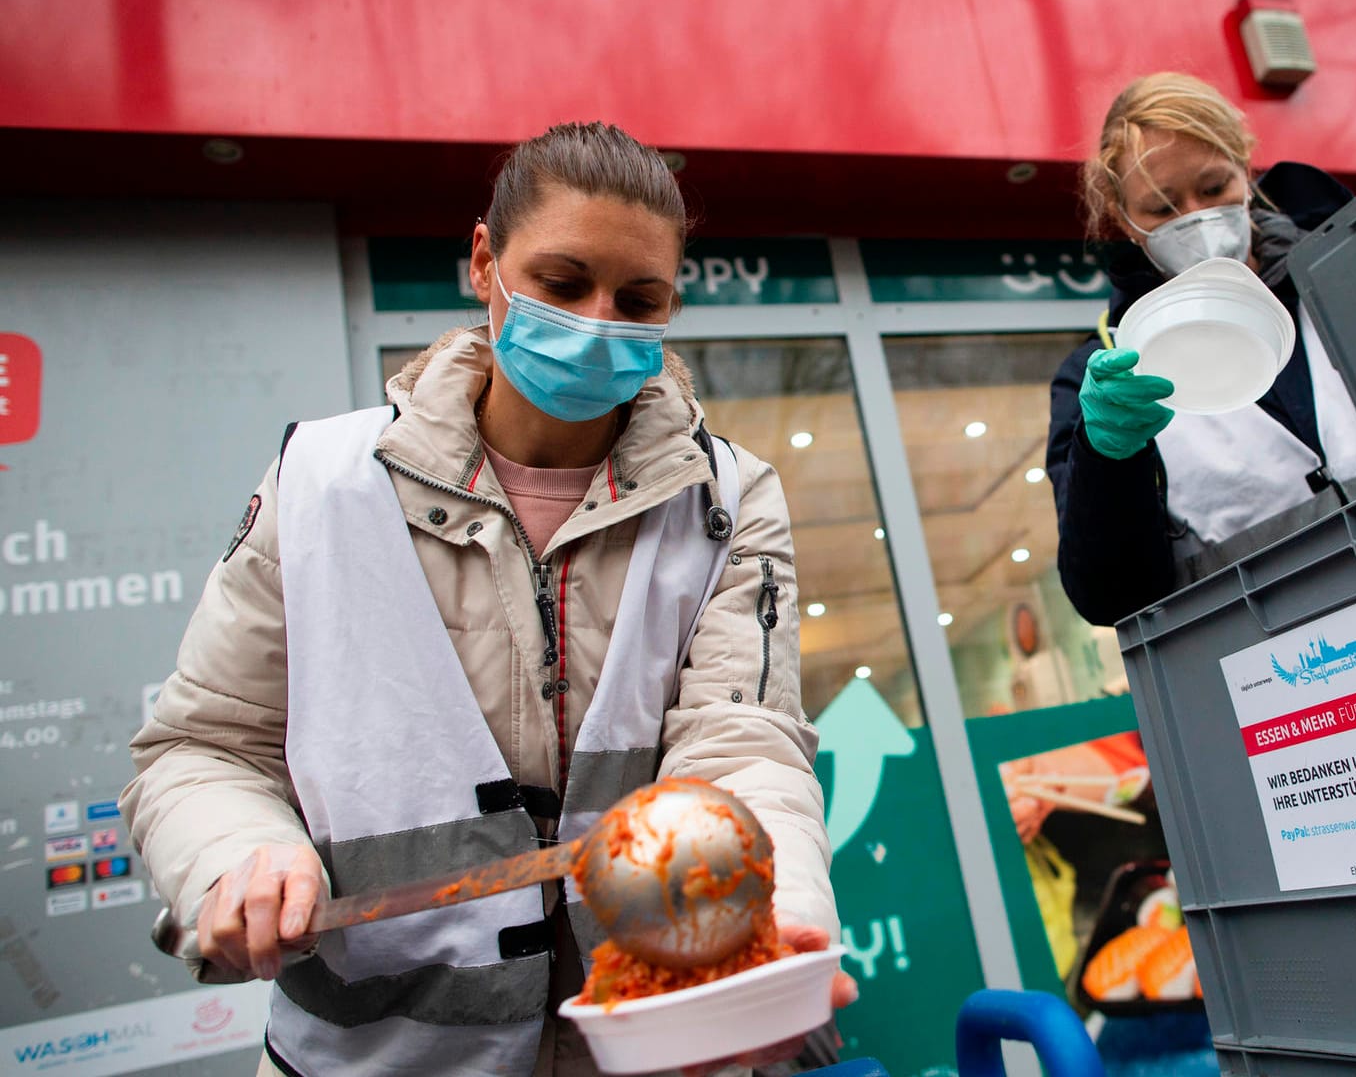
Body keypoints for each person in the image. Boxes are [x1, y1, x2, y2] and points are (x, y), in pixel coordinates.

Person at [120, 122, 851, 1077]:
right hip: (374, 1054)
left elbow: (741, 743)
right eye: (561, 282)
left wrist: (773, 918)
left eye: (639, 299)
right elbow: (204, 746)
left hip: (653, 1044)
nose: (598, 320)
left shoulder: (725, 498)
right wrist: (238, 856)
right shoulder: (322, 483)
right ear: (484, 262)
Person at [1046, 73, 1356, 626]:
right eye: (1160, 207)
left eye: (1212, 188)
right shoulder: (1102, 372)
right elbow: (1109, 596)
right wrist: (1106, 460)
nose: (1195, 219)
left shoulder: (1345, 282)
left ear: (1246, 170)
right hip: (1285, 668)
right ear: (1126, 222)